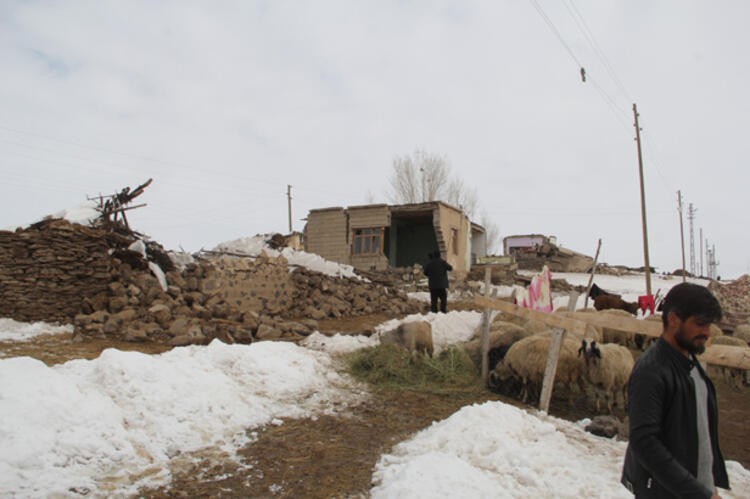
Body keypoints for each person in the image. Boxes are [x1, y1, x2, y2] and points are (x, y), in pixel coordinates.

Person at [621, 282, 729, 499]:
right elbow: (645, 443)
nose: (707, 332)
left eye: (708, 325)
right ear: (673, 320)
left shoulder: (690, 363)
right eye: (700, 324)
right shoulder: (651, 371)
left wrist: (708, 484)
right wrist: (698, 493)